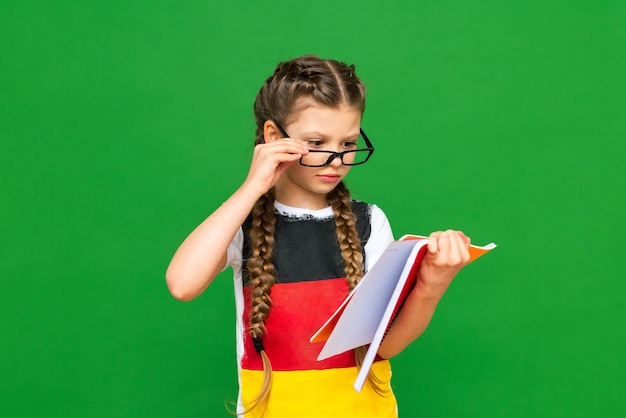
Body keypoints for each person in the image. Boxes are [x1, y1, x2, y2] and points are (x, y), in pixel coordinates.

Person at [166, 54, 471, 418]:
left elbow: (384, 346)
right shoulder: (241, 225)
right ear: (274, 137)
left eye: (347, 143)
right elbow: (183, 284)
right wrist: (253, 186)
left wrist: (432, 285)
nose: (336, 159)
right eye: (317, 142)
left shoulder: (369, 221)